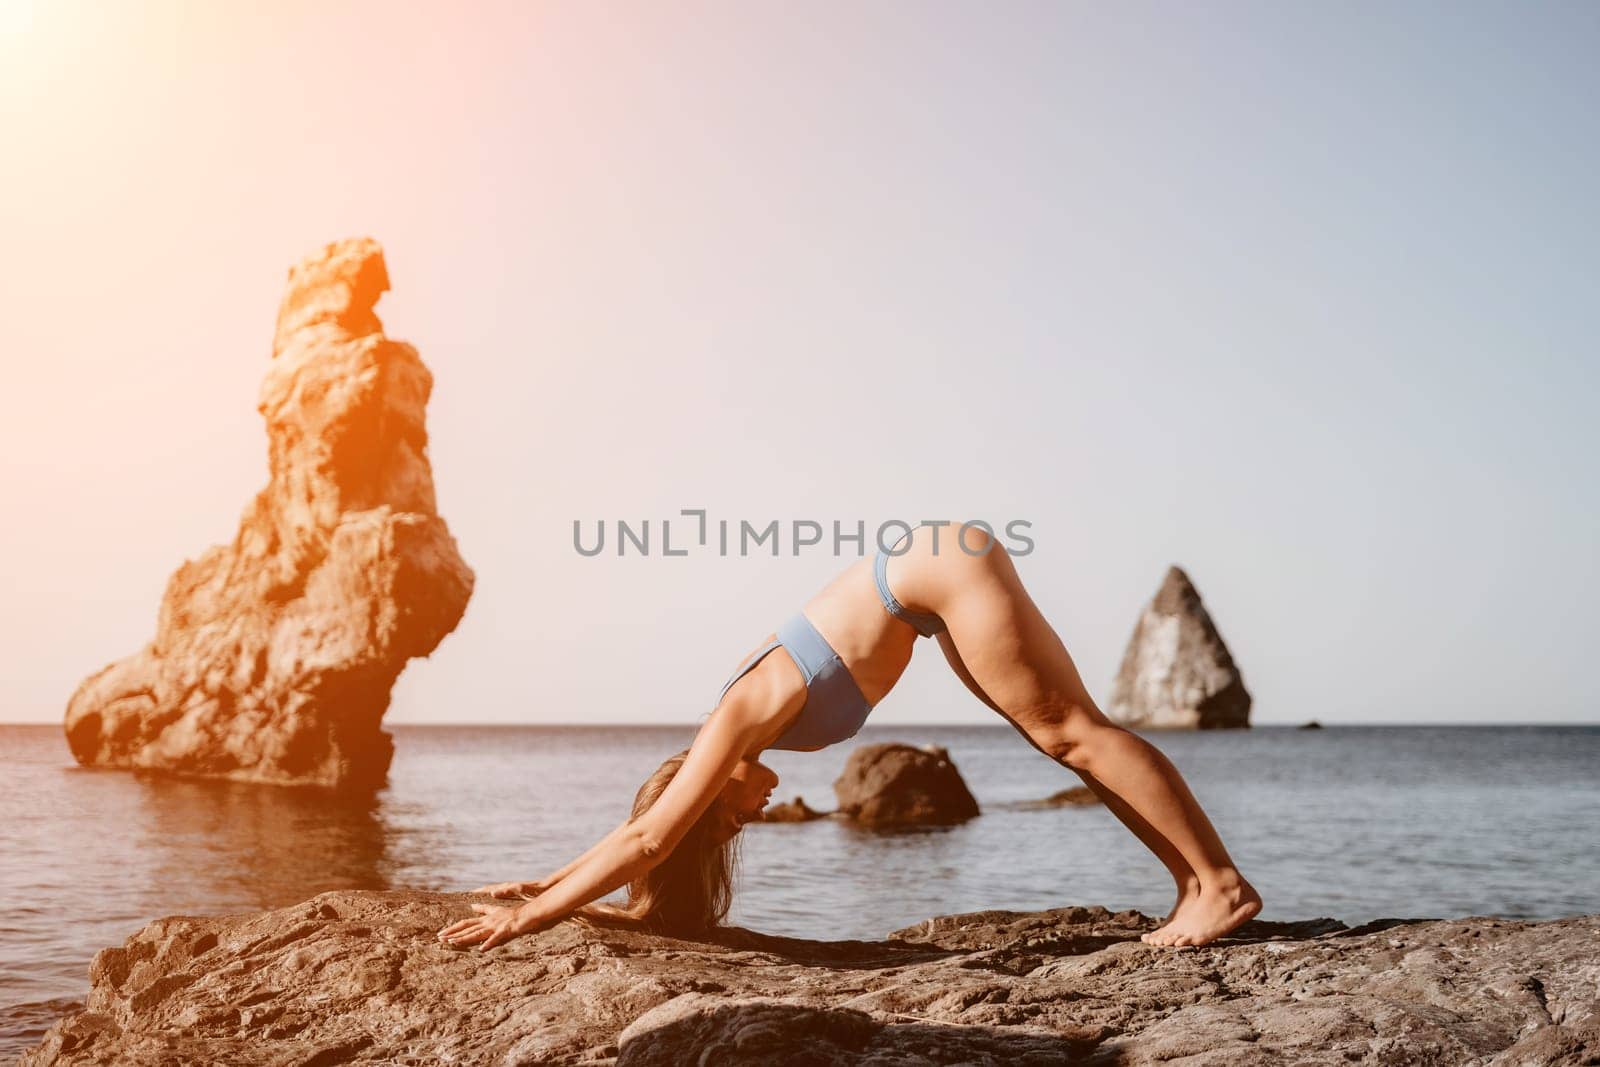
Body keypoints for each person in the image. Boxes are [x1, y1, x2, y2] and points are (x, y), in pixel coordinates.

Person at [438, 522, 1260, 951]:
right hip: (929, 587)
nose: (754, 812)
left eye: (730, 818)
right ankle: (1194, 887)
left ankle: (1218, 883)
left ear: (707, 786)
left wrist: (530, 917)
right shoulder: (726, 739)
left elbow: (652, 835)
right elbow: (641, 829)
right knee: (1061, 738)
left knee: (1072, 734)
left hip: (933, 572)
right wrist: (542, 879)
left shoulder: (729, 725)